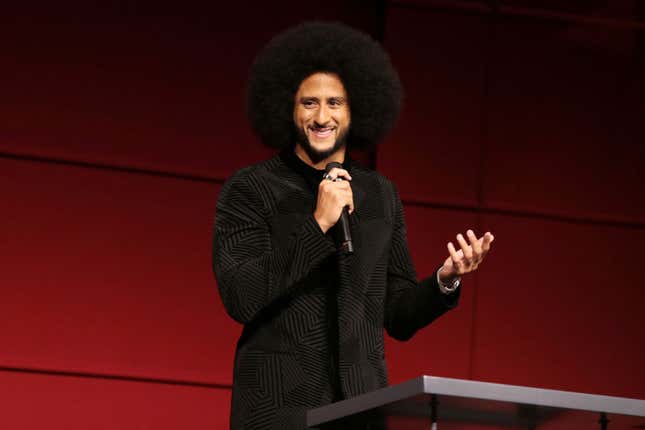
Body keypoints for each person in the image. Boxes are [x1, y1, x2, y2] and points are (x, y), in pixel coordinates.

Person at [212, 21, 494, 429]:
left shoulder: (380, 195)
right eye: (309, 103)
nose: (321, 116)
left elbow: (396, 315)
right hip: (278, 413)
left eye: (334, 103)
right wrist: (316, 224)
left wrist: (443, 281)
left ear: (356, 109)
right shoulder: (250, 189)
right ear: (288, 109)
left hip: (361, 411)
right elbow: (241, 296)